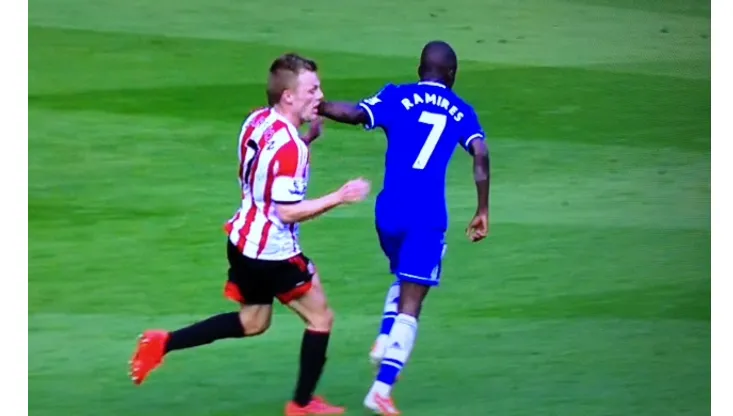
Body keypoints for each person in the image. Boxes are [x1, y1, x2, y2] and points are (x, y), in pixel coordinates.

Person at [128, 53, 371, 416]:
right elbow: (287, 211)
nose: (321, 97)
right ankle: (302, 404)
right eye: (312, 89)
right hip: (273, 253)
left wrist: (307, 139)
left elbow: (263, 169)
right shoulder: (291, 149)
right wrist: (339, 196)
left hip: (242, 241)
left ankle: (161, 343)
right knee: (321, 318)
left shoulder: (257, 120)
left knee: (253, 321)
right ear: (288, 96)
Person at [317, 40, 490, 415]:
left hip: (388, 212)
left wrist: (319, 106)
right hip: (426, 216)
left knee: (404, 274)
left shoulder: (398, 95)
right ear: (452, 74)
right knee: (413, 301)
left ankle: (384, 338)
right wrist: (482, 208)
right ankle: (381, 389)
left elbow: (356, 114)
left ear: (419, 69)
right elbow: (480, 153)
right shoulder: (461, 110)